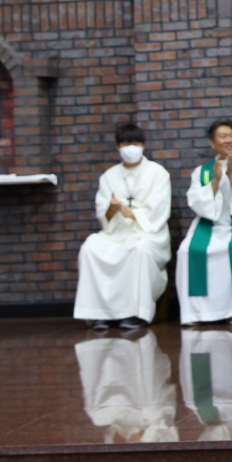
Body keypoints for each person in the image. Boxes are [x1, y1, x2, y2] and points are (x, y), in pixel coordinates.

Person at [73, 123, 172, 331]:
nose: (131, 148)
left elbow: (159, 210)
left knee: (140, 249)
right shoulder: (109, 176)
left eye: (135, 143)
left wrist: (130, 213)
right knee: (90, 247)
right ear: (118, 147)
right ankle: (101, 313)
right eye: (126, 143)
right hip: (117, 232)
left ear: (143, 145)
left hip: (147, 231)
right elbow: (104, 215)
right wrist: (112, 209)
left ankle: (137, 313)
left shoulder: (158, 173)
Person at [176, 118, 232, 330]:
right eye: (223, 136)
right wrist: (216, 180)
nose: (228, 140)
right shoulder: (202, 171)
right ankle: (196, 312)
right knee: (186, 250)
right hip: (210, 227)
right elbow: (197, 203)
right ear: (212, 143)